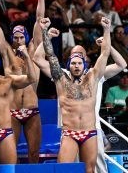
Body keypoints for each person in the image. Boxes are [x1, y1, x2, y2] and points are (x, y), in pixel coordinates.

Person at [34, 36, 127, 173]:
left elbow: (114, 60)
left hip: (91, 129)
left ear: (85, 61)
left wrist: (107, 42)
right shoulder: (62, 76)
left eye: (80, 60)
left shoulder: (95, 75)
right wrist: (47, 36)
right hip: (69, 129)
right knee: (64, 169)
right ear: (69, 62)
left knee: (94, 169)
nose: (76, 64)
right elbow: (38, 59)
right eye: (73, 60)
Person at [39, 16, 111, 173]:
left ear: (84, 65)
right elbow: (50, 55)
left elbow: (104, 54)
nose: (76, 66)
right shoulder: (61, 79)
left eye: (79, 63)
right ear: (68, 65)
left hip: (90, 132)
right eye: (73, 63)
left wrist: (106, 30)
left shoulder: (92, 77)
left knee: (90, 171)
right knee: (63, 169)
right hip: (69, 132)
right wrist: (45, 32)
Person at [0, 0, 44, 163]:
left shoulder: (33, 51)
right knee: (10, 155)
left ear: (26, 38)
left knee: (34, 154)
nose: (19, 40)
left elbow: (39, 19)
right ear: (12, 39)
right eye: (16, 37)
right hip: (12, 110)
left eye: (22, 37)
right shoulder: (6, 53)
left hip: (32, 110)